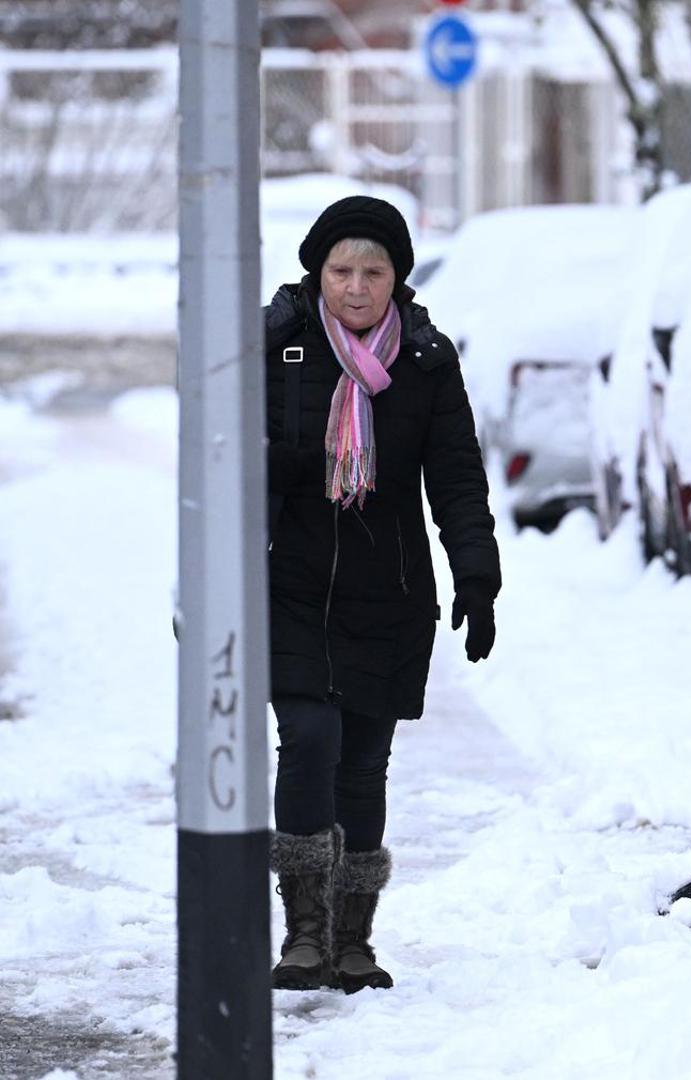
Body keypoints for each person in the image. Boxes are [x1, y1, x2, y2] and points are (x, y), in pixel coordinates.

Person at [263, 195, 500, 992]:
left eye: (374, 272)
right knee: (309, 739)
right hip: (292, 584)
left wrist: (477, 576)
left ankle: (352, 940)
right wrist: (281, 467)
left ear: (397, 277)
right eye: (342, 272)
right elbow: (223, 458)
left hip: (388, 593)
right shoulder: (278, 347)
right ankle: (306, 932)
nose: (357, 287)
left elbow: (457, 476)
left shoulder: (425, 361)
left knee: (363, 766)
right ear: (317, 273)